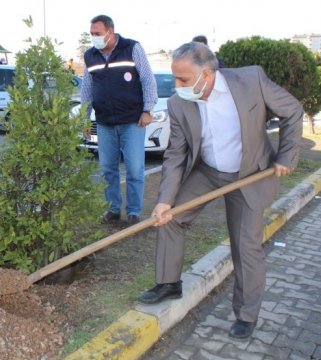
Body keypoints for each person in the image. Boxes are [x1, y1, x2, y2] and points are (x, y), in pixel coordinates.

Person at [138, 42, 302, 340]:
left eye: (183, 80)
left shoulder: (251, 80)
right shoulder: (178, 103)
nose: (177, 87)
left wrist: (286, 156)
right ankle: (169, 283)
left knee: (245, 246)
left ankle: (246, 314)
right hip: (209, 172)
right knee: (171, 217)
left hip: (249, 174)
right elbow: (176, 154)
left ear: (208, 74)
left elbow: (292, 111)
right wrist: (164, 201)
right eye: (175, 79)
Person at [80, 15, 158, 226]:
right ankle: (112, 209)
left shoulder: (132, 48)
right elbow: (86, 89)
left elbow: (148, 80)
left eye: (97, 34)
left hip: (132, 122)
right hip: (105, 123)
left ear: (110, 32)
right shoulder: (90, 56)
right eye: (91, 34)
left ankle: (133, 212)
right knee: (108, 170)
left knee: (134, 170)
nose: (94, 38)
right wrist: (85, 119)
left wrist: (147, 109)